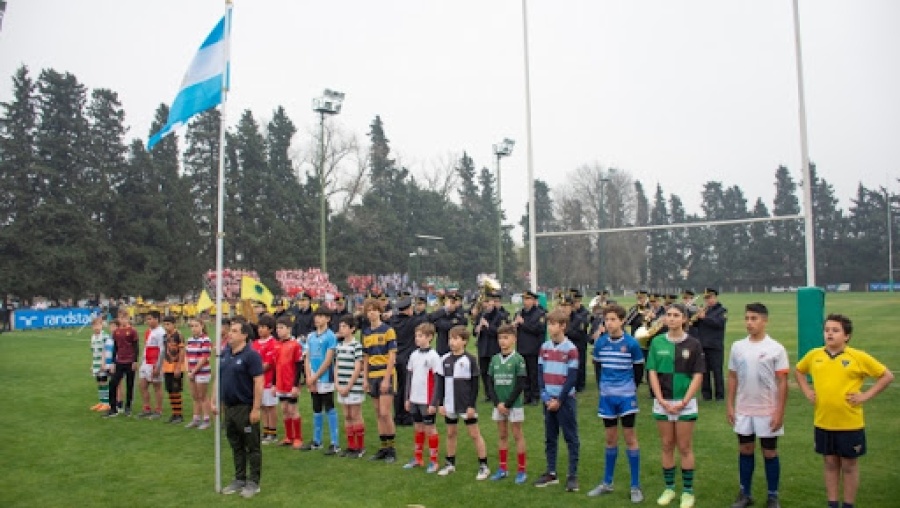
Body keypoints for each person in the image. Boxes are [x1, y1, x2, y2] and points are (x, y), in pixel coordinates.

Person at [795, 313, 894, 508]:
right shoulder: (815, 355)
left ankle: (848, 504)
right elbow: (799, 370)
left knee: (849, 465)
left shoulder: (857, 357)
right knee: (830, 463)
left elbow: (887, 376)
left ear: (846, 336)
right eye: (827, 330)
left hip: (849, 424)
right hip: (823, 421)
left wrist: (865, 396)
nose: (829, 334)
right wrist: (807, 391)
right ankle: (832, 503)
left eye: (835, 330)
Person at [727, 303, 789, 508]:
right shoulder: (737, 346)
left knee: (769, 452)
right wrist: (730, 405)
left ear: (765, 321)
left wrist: (779, 412)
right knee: (745, 449)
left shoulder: (776, 348)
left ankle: (773, 496)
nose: (749, 322)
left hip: (767, 410)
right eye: (746, 318)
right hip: (744, 409)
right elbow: (732, 377)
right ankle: (745, 494)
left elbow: (782, 382)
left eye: (754, 318)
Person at [647, 303, 705, 508]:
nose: (671, 318)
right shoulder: (657, 342)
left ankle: (687, 492)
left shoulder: (694, 344)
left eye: (676, 315)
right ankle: (669, 488)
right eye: (668, 315)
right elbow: (652, 372)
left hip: (684, 403)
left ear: (684, 319)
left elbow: (698, 375)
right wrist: (661, 399)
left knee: (685, 447)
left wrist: (684, 401)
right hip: (663, 402)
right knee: (666, 445)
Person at [587, 304, 645, 503]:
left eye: (613, 319)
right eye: (607, 319)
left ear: (622, 321)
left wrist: (629, 389)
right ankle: (607, 483)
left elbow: (638, 371)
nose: (609, 323)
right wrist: (603, 388)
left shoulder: (632, 344)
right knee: (610, 439)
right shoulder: (600, 343)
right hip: (607, 398)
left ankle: (635, 486)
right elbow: (598, 367)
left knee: (630, 439)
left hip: (626, 397)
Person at [429, 325, 490, 480]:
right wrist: (440, 404)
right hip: (449, 405)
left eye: (456, 339)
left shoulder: (470, 360)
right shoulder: (444, 359)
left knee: (474, 434)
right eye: (450, 338)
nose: (452, 342)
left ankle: (484, 465)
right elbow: (440, 383)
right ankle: (450, 463)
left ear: (464, 341)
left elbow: (475, 385)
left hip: (465, 405)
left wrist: (471, 405)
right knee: (450, 433)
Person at [213, 320, 264, 498]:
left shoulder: (251, 356)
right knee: (236, 445)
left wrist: (256, 408)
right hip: (229, 408)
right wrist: (215, 400)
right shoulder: (225, 353)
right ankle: (239, 478)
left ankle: (253, 482)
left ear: (244, 335)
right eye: (230, 330)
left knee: (252, 446)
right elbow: (219, 378)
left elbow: (259, 382)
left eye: (234, 331)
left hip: (245, 407)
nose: (230, 334)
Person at [532, 309, 580, 492]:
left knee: (571, 438)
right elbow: (539, 374)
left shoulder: (571, 349)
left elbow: (572, 378)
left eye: (553, 324)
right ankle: (551, 472)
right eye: (549, 324)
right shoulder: (544, 347)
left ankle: (572, 475)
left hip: (565, 401)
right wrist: (545, 396)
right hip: (548, 400)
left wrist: (559, 399)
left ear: (563, 326)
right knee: (550, 438)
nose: (550, 327)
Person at [485, 323, 528, 484]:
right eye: (500, 338)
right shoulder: (495, 359)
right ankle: (503, 468)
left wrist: (508, 404)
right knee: (502, 435)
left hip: (513, 405)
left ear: (514, 339)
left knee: (517, 435)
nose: (502, 341)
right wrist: (497, 403)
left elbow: (520, 384)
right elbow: (489, 382)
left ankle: (521, 470)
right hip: (499, 405)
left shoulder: (518, 359)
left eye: (506, 337)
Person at [361, 298, 398, 462]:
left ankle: (391, 449)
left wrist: (386, 379)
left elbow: (392, 357)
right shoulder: (366, 333)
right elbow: (366, 358)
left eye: (374, 310)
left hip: (385, 374)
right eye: (368, 311)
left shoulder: (388, 330)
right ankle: (383, 447)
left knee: (385, 413)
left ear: (380, 311)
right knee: (378, 413)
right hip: (372, 375)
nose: (371, 313)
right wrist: (365, 378)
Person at [402, 322, 442, 472]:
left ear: (430, 337)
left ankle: (434, 461)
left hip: (426, 400)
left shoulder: (434, 357)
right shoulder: (414, 355)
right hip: (414, 398)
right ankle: (418, 458)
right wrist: (407, 398)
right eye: (416, 336)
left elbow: (437, 381)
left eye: (420, 336)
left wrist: (433, 402)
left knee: (430, 428)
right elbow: (409, 377)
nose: (417, 338)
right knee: (418, 427)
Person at [302, 307, 341, 454]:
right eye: (316, 316)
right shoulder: (311, 336)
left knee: (329, 406)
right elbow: (307, 357)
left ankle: (335, 443)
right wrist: (308, 376)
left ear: (328, 319)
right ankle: (316, 441)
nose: (317, 318)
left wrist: (315, 377)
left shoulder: (330, 336)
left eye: (321, 316)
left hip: (325, 377)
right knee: (316, 407)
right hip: (313, 376)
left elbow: (328, 360)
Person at [334, 314, 366, 457]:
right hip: (341, 386)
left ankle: (360, 447)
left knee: (355, 415)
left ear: (352, 329)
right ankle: (351, 445)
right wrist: (337, 383)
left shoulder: (357, 346)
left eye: (344, 326)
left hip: (354, 387)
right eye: (340, 326)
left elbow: (358, 367)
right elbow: (336, 365)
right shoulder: (339, 346)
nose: (341, 329)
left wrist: (349, 386)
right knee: (346, 415)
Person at [391, 296, 425, 426]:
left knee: (398, 388)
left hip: (396, 357)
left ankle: (398, 415)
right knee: (408, 387)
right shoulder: (413, 321)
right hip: (408, 357)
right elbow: (426, 318)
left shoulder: (393, 321)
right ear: (409, 309)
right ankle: (406, 415)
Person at [273, 316, 304, 448]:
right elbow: (275, 366)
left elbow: (299, 366)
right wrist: (274, 384)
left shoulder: (295, 345)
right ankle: (288, 436)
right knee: (284, 409)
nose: (278, 330)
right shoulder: (277, 345)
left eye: (281, 328)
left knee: (293, 409)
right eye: (277, 328)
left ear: (289, 329)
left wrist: (295, 385)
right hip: (280, 384)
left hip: (290, 383)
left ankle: (298, 437)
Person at [693, 288, 727, 401]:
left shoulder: (722, 310)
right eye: (706, 298)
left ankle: (719, 395)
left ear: (715, 297)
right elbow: (696, 325)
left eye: (710, 298)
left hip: (715, 345)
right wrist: (696, 318)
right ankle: (706, 395)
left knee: (717, 371)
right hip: (703, 344)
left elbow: (719, 323)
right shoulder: (705, 310)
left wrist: (705, 318)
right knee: (704, 371)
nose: (708, 300)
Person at [515, 290, 546, 405]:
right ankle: (527, 395)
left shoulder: (539, 313)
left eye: (528, 299)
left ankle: (535, 396)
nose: (525, 302)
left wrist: (523, 324)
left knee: (534, 374)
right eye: (524, 299)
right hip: (522, 347)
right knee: (524, 374)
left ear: (533, 300)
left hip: (533, 348)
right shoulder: (520, 313)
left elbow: (538, 329)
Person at [252, 314, 280, 444]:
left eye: (263, 327)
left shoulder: (273, 343)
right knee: (262, 406)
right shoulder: (255, 343)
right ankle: (266, 430)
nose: (260, 330)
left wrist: (254, 372)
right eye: (259, 327)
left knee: (270, 406)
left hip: (268, 380)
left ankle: (272, 432)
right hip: (258, 382)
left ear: (271, 329)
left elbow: (268, 364)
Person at [106, 312, 138, 417]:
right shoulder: (116, 332)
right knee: (112, 383)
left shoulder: (132, 331)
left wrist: (135, 361)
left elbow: (135, 347)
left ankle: (128, 407)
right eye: (120, 318)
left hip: (129, 361)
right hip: (119, 361)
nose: (122, 320)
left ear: (128, 319)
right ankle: (113, 408)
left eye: (124, 318)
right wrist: (113, 362)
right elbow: (115, 348)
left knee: (130, 385)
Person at [137, 310, 165, 419]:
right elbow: (146, 347)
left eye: (150, 319)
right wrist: (142, 361)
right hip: (146, 362)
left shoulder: (161, 332)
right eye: (147, 319)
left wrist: (158, 366)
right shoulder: (148, 331)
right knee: (142, 385)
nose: (147, 321)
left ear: (156, 319)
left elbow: (162, 350)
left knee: (156, 386)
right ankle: (146, 408)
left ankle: (158, 410)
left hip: (154, 363)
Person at [185, 317, 212, 429]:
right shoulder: (190, 340)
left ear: (202, 326)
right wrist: (188, 370)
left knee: (203, 396)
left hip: (202, 372)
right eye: (192, 326)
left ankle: (206, 419)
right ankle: (196, 419)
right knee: (195, 396)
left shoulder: (205, 340)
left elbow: (204, 358)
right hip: (192, 372)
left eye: (196, 326)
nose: (194, 328)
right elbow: (187, 356)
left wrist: (194, 371)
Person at [161, 315, 186, 423]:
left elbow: (182, 351)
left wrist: (178, 366)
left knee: (176, 390)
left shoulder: (178, 335)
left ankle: (179, 414)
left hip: (176, 367)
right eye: (165, 324)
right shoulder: (165, 336)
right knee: (170, 390)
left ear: (173, 324)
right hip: (167, 367)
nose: (166, 326)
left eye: (168, 324)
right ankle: (174, 413)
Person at [567, 289, 592, 392]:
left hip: (580, 342)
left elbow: (582, 327)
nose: (575, 304)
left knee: (580, 364)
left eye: (576, 302)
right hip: (570, 342)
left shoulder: (584, 313)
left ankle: (580, 384)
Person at [89, 316, 111, 412]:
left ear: (102, 325)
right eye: (94, 325)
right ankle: (101, 402)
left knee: (104, 382)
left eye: (98, 325)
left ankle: (107, 403)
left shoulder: (105, 336)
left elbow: (107, 350)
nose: (96, 327)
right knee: (99, 382)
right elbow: (93, 352)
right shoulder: (93, 337)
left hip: (103, 363)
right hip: (96, 363)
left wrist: (104, 362)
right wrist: (92, 364)